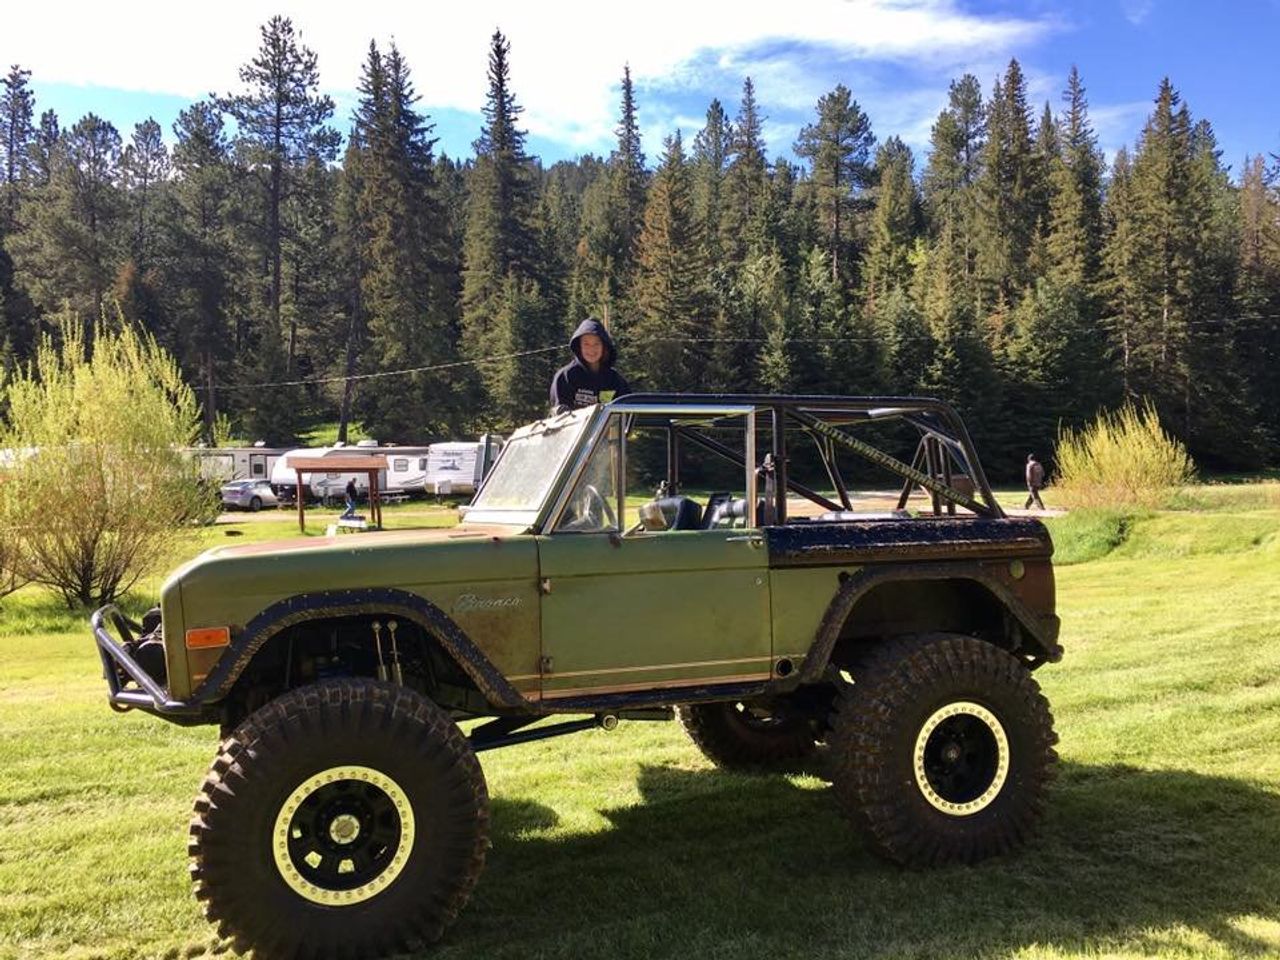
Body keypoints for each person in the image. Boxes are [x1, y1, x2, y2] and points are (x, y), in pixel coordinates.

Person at [549, 317, 631, 413]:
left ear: (604, 347)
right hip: (575, 427)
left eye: (596, 344)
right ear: (579, 346)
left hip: (606, 428)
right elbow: (559, 416)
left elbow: (628, 410)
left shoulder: (614, 380)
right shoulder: (566, 377)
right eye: (586, 344)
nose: (591, 349)